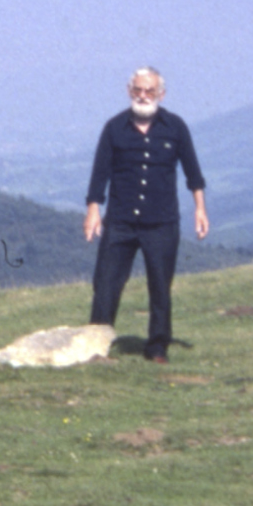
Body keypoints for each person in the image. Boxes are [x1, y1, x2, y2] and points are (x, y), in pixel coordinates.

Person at [82, 66, 209, 363]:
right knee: (106, 283)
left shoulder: (175, 127)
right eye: (138, 90)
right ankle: (95, 344)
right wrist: (93, 210)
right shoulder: (114, 128)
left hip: (161, 222)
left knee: (160, 285)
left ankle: (157, 347)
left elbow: (193, 172)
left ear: (161, 94)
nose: (143, 96)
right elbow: (100, 172)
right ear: (129, 91)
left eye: (149, 91)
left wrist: (200, 209)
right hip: (120, 221)